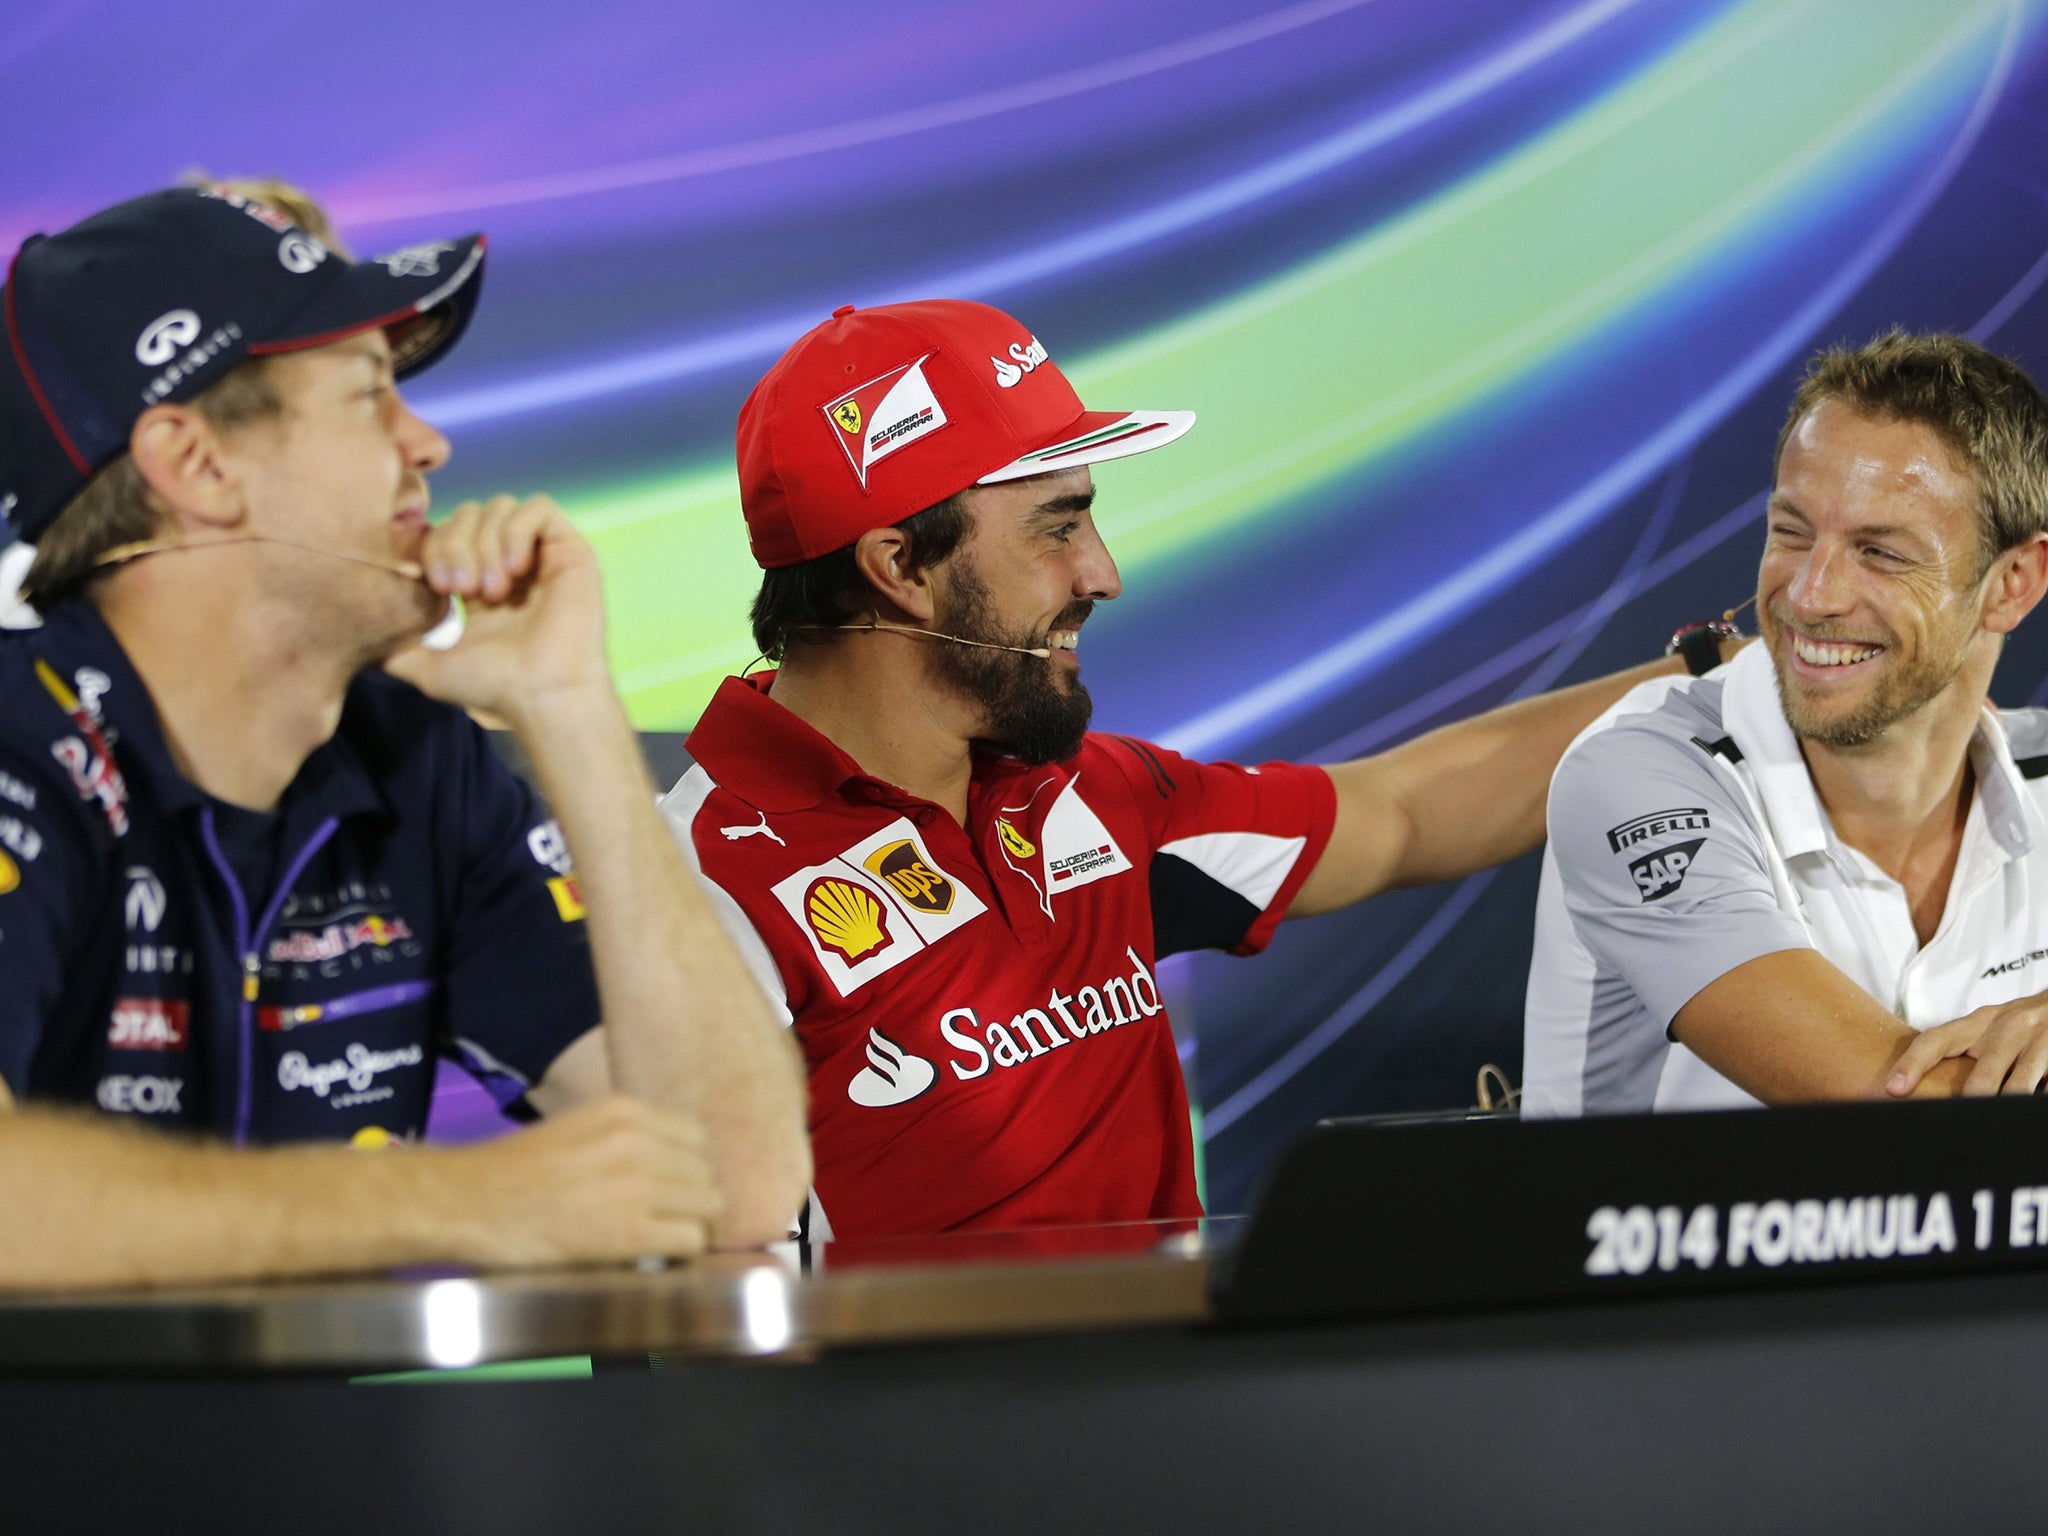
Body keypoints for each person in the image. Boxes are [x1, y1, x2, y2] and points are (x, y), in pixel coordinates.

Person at [660, 298, 1735, 1239]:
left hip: (1169, 1441)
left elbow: (1401, 811)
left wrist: (1721, 679)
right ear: (899, 568)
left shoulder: (1085, 794)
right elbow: (711, 1319)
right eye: (1058, 527)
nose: (1103, 572)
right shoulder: (692, 888)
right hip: (904, 1463)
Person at [0, 186, 810, 1288]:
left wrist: (567, 708)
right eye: (369, 395)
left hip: (328, 1464)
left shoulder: (421, 762)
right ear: (196, 465)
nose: (426, 442)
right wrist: (461, 1203)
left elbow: (741, 1191)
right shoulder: (20, 745)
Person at [1522, 331, 2048, 1116]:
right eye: (1792, 532)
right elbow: (1896, 1111)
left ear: (2012, 583)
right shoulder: (1636, 774)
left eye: (1880, 552)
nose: (1808, 596)